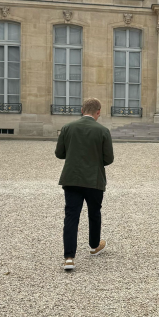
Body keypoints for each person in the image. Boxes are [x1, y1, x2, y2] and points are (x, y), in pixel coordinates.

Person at [55, 97, 115, 273]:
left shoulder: (67, 128)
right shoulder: (103, 131)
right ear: (98, 112)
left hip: (72, 178)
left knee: (71, 216)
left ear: (82, 110)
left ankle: (69, 257)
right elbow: (108, 159)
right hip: (94, 179)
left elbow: (59, 154)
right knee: (94, 213)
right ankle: (94, 245)